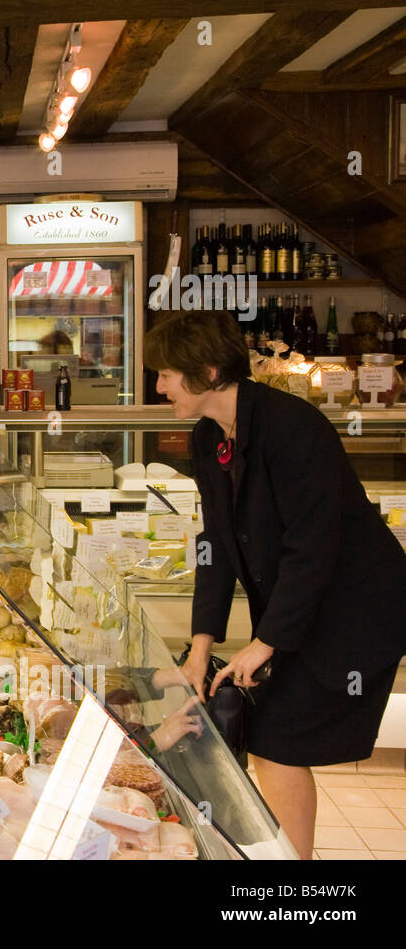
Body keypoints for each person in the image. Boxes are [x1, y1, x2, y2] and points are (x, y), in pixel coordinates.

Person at [145, 308, 406, 859]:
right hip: (299, 609)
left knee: (278, 740)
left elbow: (312, 548)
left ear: (209, 371)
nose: (160, 384)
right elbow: (215, 546)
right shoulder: (207, 438)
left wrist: (266, 642)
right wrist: (200, 650)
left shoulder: (292, 427)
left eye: (167, 371)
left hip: (353, 610)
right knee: (272, 742)